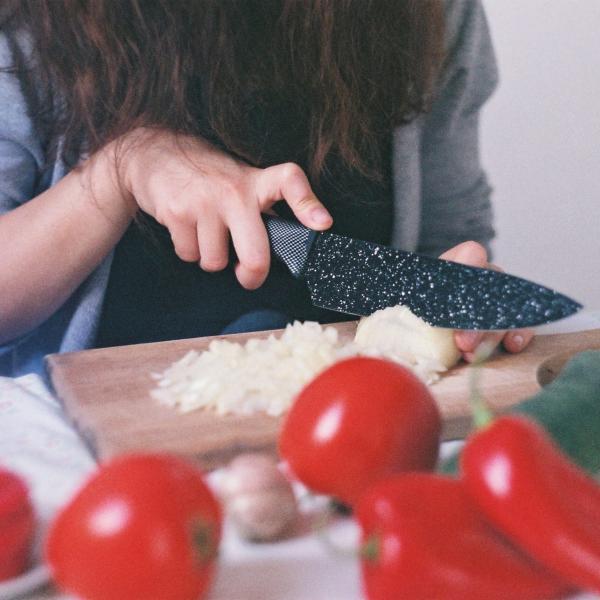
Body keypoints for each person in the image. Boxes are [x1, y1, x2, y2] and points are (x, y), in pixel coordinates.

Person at [0, 0, 532, 378]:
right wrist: (117, 172)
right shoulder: (28, 21)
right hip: (86, 450)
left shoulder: (432, 10)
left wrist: (456, 295)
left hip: (362, 420)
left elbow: (450, 232)